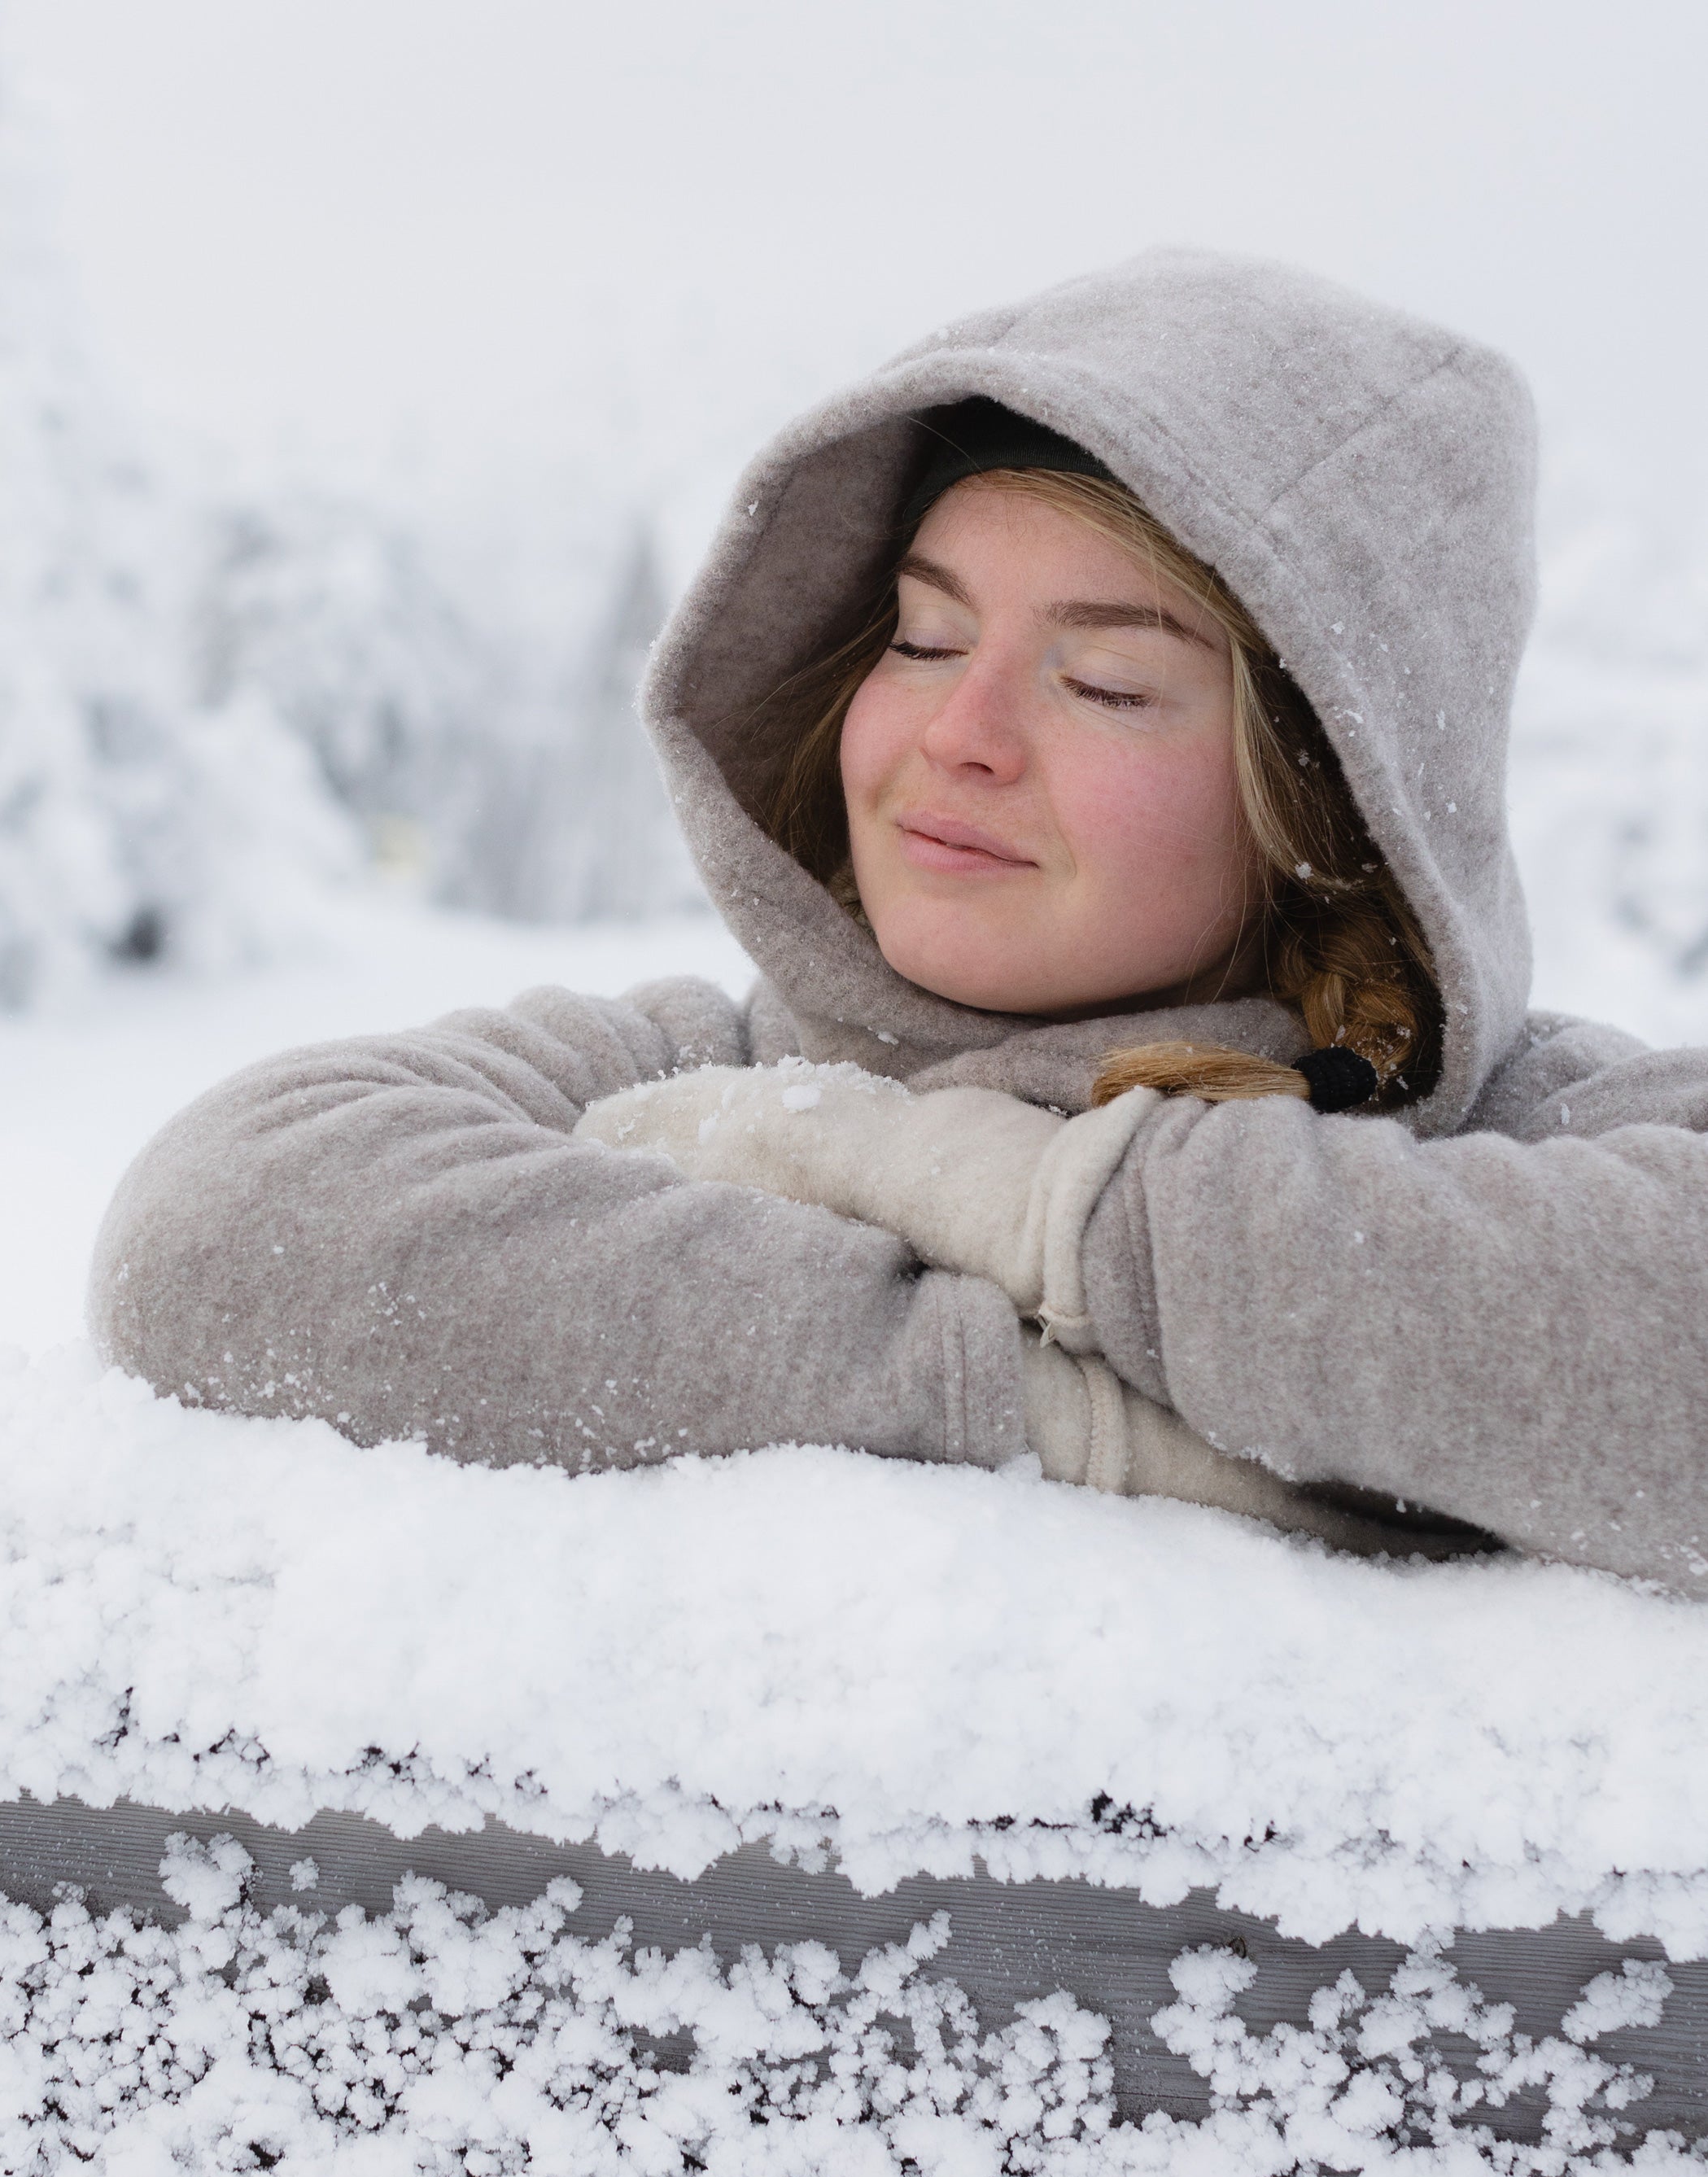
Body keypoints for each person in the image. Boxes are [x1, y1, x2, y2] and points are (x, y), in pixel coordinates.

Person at [90, 250, 1708, 1591]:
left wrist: (1007, 1195)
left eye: (1105, 680)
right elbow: (219, 1233)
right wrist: (1094, 1424)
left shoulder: (1508, 1121)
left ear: (1328, 803)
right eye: (925, 641)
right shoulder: (699, 1060)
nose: (961, 734)